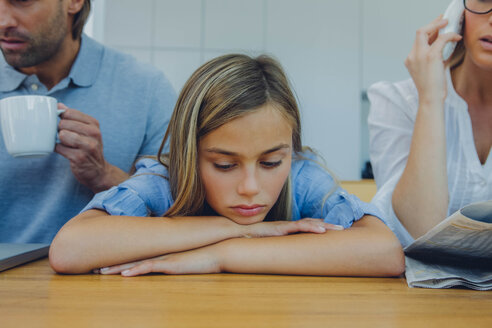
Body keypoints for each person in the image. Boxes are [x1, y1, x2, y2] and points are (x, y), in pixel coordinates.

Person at [49, 54, 404, 277]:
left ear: (288, 151)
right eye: (223, 165)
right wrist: (235, 227)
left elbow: (385, 252)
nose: (251, 186)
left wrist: (223, 254)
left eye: (270, 161)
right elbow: (70, 249)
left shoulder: (300, 176)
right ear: (189, 153)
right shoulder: (163, 180)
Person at [0, 0, 176, 243]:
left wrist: (104, 176)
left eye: (22, 1)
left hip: (100, 277)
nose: (3, 21)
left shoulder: (146, 88)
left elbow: (177, 218)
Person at [368, 0, 492, 247]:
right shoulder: (397, 101)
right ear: (457, 11)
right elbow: (420, 231)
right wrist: (430, 99)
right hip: (409, 285)